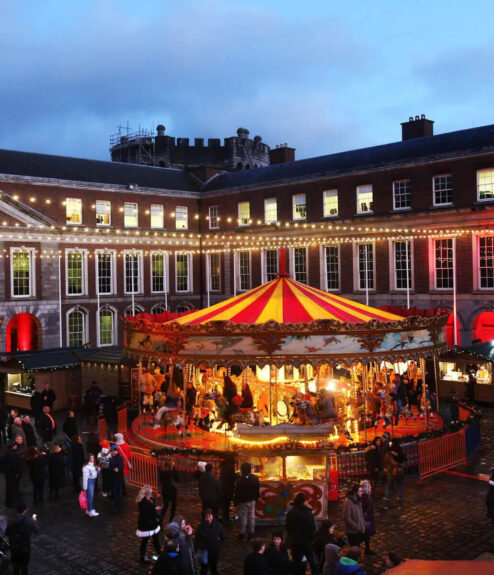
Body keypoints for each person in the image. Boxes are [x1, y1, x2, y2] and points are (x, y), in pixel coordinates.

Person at [285, 492, 317, 575]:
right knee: (311, 560)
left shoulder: (291, 512)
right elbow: (313, 527)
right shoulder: (308, 512)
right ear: (304, 501)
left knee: (296, 561)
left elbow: (288, 527)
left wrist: (292, 536)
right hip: (307, 542)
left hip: (295, 542)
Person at [6, 502, 39, 575]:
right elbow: (36, 530)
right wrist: (34, 521)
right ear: (25, 510)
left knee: (16, 567)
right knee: (24, 567)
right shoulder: (29, 520)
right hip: (25, 548)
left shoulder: (11, 520)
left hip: (14, 548)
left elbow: (7, 533)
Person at [195, 508, 225, 575]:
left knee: (213, 567)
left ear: (213, 516)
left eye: (210, 516)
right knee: (204, 568)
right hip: (204, 550)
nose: (208, 519)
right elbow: (197, 539)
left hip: (214, 551)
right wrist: (197, 549)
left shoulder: (218, 526)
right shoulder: (201, 527)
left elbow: (223, 537)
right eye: (206, 517)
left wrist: (219, 547)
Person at [136, 485, 161, 563]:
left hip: (153, 523)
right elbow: (145, 513)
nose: (151, 494)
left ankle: (159, 553)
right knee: (145, 540)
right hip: (147, 524)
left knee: (156, 539)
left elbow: (151, 509)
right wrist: (155, 509)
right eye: (150, 492)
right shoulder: (142, 503)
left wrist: (154, 509)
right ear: (146, 493)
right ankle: (142, 556)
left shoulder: (152, 499)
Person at [235, 462, 260, 541]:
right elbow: (257, 490)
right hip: (252, 501)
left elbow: (237, 491)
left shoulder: (239, 479)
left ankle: (242, 534)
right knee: (251, 517)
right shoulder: (255, 478)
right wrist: (255, 498)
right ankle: (251, 533)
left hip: (243, 502)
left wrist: (237, 501)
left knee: (243, 518)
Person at [383, 438, 406, 509]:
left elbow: (386, 460)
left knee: (388, 487)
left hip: (391, 472)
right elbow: (404, 460)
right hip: (399, 472)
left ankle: (386, 504)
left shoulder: (389, 452)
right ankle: (400, 504)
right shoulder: (400, 451)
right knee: (399, 487)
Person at [1, 436, 23, 507]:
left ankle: (8, 500)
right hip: (11, 474)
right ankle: (11, 502)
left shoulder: (8, 452)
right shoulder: (12, 454)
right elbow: (14, 465)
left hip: (8, 473)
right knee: (12, 487)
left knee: (9, 487)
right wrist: (17, 473)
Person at [159, 458, 178, 525]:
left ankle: (160, 522)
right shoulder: (172, 472)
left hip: (165, 491)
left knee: (165, 506)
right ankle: (171, 521)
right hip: (172, 491)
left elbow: (161, 480)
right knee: (173, 507)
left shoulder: (163, 471)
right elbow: (177, 478)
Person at [360, 480, 376, 556]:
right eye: (369, 486)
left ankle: (367, 549)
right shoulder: (364, 498)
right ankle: (366, 550)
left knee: (366, 536)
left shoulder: (366, 496)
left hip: (368, 519)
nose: (370, 487)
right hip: (366, 521)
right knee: (365, 535)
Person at [220, 453, 236, 523]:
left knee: (225, 504)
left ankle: (225, 517)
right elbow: (232, 476)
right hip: (228, 488)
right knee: (226, 504)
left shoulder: (224, 466)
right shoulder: (229, 467)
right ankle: (226, 518)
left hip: (224, 487)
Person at [109, 444, 124, 511]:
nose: (113, 452)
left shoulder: (120, 458)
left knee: (117, 491)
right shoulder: (112, 457)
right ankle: (117, 504)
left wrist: (117, 469)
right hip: (113, 477)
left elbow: (121, 466)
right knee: (116, 491)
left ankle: (117, 505)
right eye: (112, 451)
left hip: (117, 477)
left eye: (114, 451)